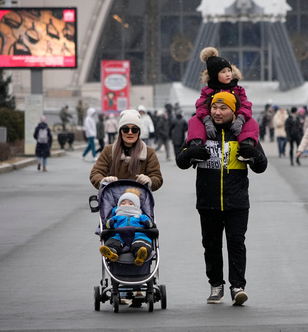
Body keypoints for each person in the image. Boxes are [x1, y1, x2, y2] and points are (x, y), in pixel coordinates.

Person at [176, 92, 268, 306]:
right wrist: (191, 152)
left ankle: (238, 287)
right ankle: (216, 285)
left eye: (223, 108)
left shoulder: (243, 133)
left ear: (233, 111)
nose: (217, 112)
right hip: (208, 202)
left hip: (237, 202)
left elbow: (261, 166)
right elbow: (180, 161)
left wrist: (252, 153)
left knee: (236, 244)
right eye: (214, 108)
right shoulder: (202, 132)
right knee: (211, 245)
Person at [186, 47, 259, 150]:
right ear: (215, 75)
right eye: (223, 72)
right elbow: (201, 106)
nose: (228, 74)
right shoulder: (208, 90)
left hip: (234, 120)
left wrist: (240, 119)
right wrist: (207, 121)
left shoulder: (238, 89)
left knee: (251, 121)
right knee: (194, 120)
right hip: (213, 120)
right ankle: (196, 147)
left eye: (229, 70)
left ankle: (247, 147)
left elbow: (245, 105)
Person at [90, 109, 163, 191]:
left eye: (134, 129)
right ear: (120, 131)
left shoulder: (148, 152)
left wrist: (149, 180)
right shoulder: (108, 150)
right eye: (125, 129)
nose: (130, 132)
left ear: (139, 132)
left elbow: (157, 178)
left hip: (139, 199)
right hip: (112, 199)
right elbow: (95, 173)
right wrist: (104, 180)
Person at [99, 188, 153, 266]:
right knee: (113, 242)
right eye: (123, 203)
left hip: (138, 235)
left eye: (130, 204)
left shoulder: (140, 216)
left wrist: (147, 223)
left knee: (141, 243)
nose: (126, 205)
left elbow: (150, 224)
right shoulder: (117, 216)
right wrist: (110, 223)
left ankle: (140, 255)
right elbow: (108, 224)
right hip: (119, 235)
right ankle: (111, 252)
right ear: (119, 205)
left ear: (136, 206)